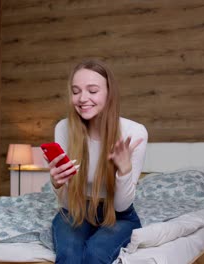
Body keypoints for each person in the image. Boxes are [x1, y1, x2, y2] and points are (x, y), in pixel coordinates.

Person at [46, 59, 148, 264]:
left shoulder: (133, 132)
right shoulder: (64, 129)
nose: (83, 98)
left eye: (92, 91)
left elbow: (120, 207)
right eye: (76, 91)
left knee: (95, 253)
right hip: (76, 209)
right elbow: (67, 203)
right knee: (69, 254)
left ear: (109, 93)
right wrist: (57, 183)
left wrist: (124, 170)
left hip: (118, 214)